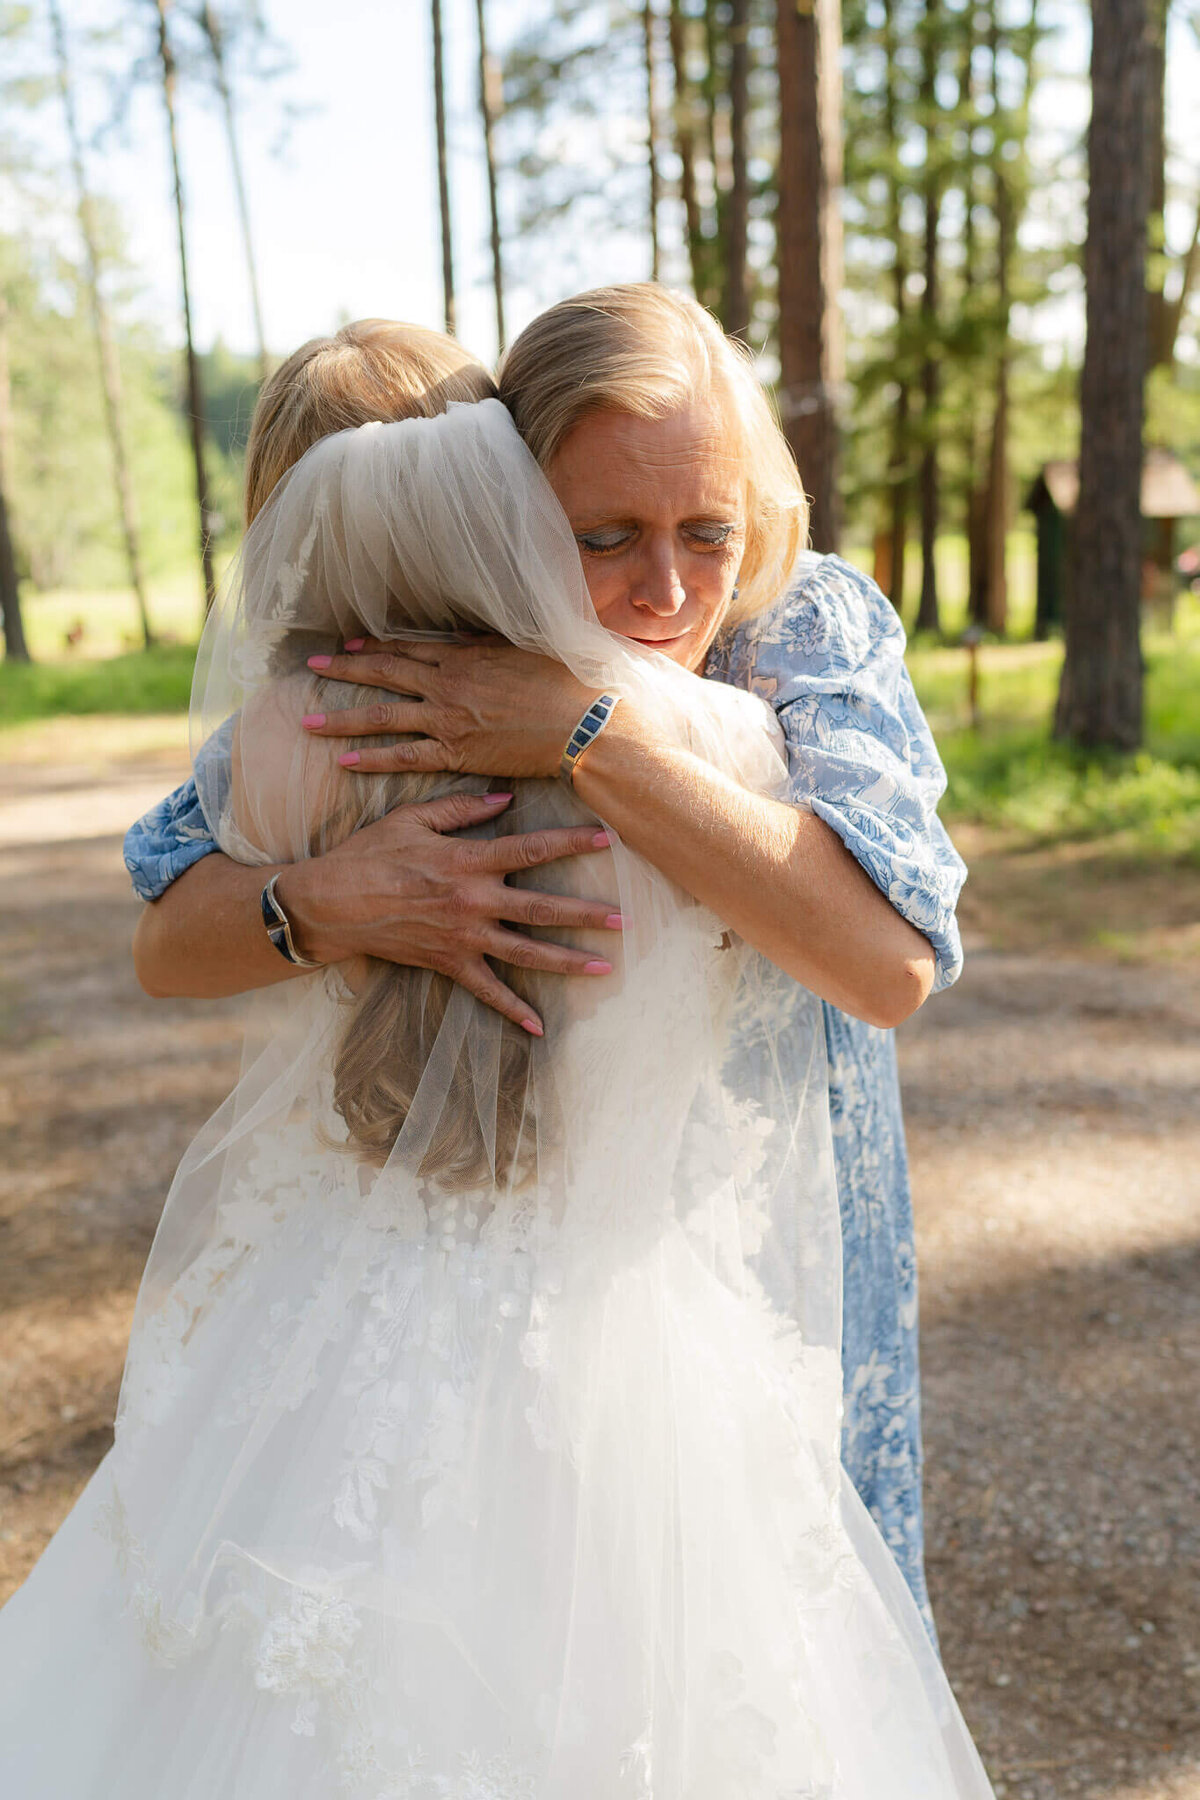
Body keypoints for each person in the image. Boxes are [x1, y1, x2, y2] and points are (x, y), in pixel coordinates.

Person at [0, 345, 994, 1798]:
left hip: (623, 1256)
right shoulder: (645, 726)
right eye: (598, 536)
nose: (661, 585)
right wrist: (329, 896)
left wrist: (581, 731)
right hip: (573, 1294)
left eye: (702, 532)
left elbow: (887, 961)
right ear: (516, 500)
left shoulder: (748, 665)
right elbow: (172, 915)